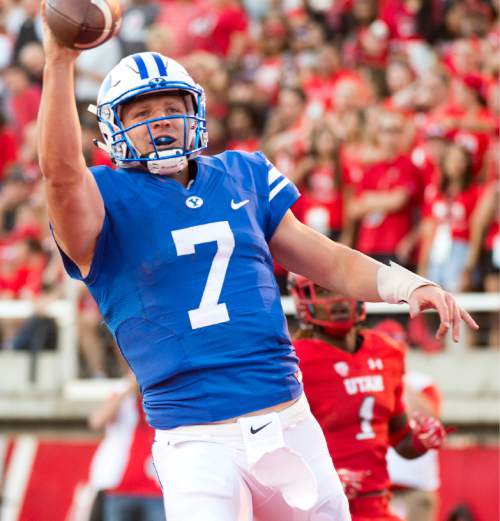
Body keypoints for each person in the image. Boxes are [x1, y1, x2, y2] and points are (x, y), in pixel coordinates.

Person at [37, 0, 478, 518]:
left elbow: (329, 260)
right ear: (113, 127)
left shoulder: (242, 172)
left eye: (171, 108)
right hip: (197, 439)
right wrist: (59, 61)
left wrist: (407, 285)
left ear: (195, 112)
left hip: (288, 419)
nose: (161, 122)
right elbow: (61, 174)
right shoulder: (102, 197)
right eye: (142, 113)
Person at [289, 274, 447, 521]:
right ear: (303, 299)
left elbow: (400, 438)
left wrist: (420, 441)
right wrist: (321, 483)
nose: (338, 300)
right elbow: (268, 452)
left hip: (377, 508)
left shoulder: (386, 352)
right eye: (324, 291)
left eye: (343, 287)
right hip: (317, 511)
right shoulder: (291, 362)